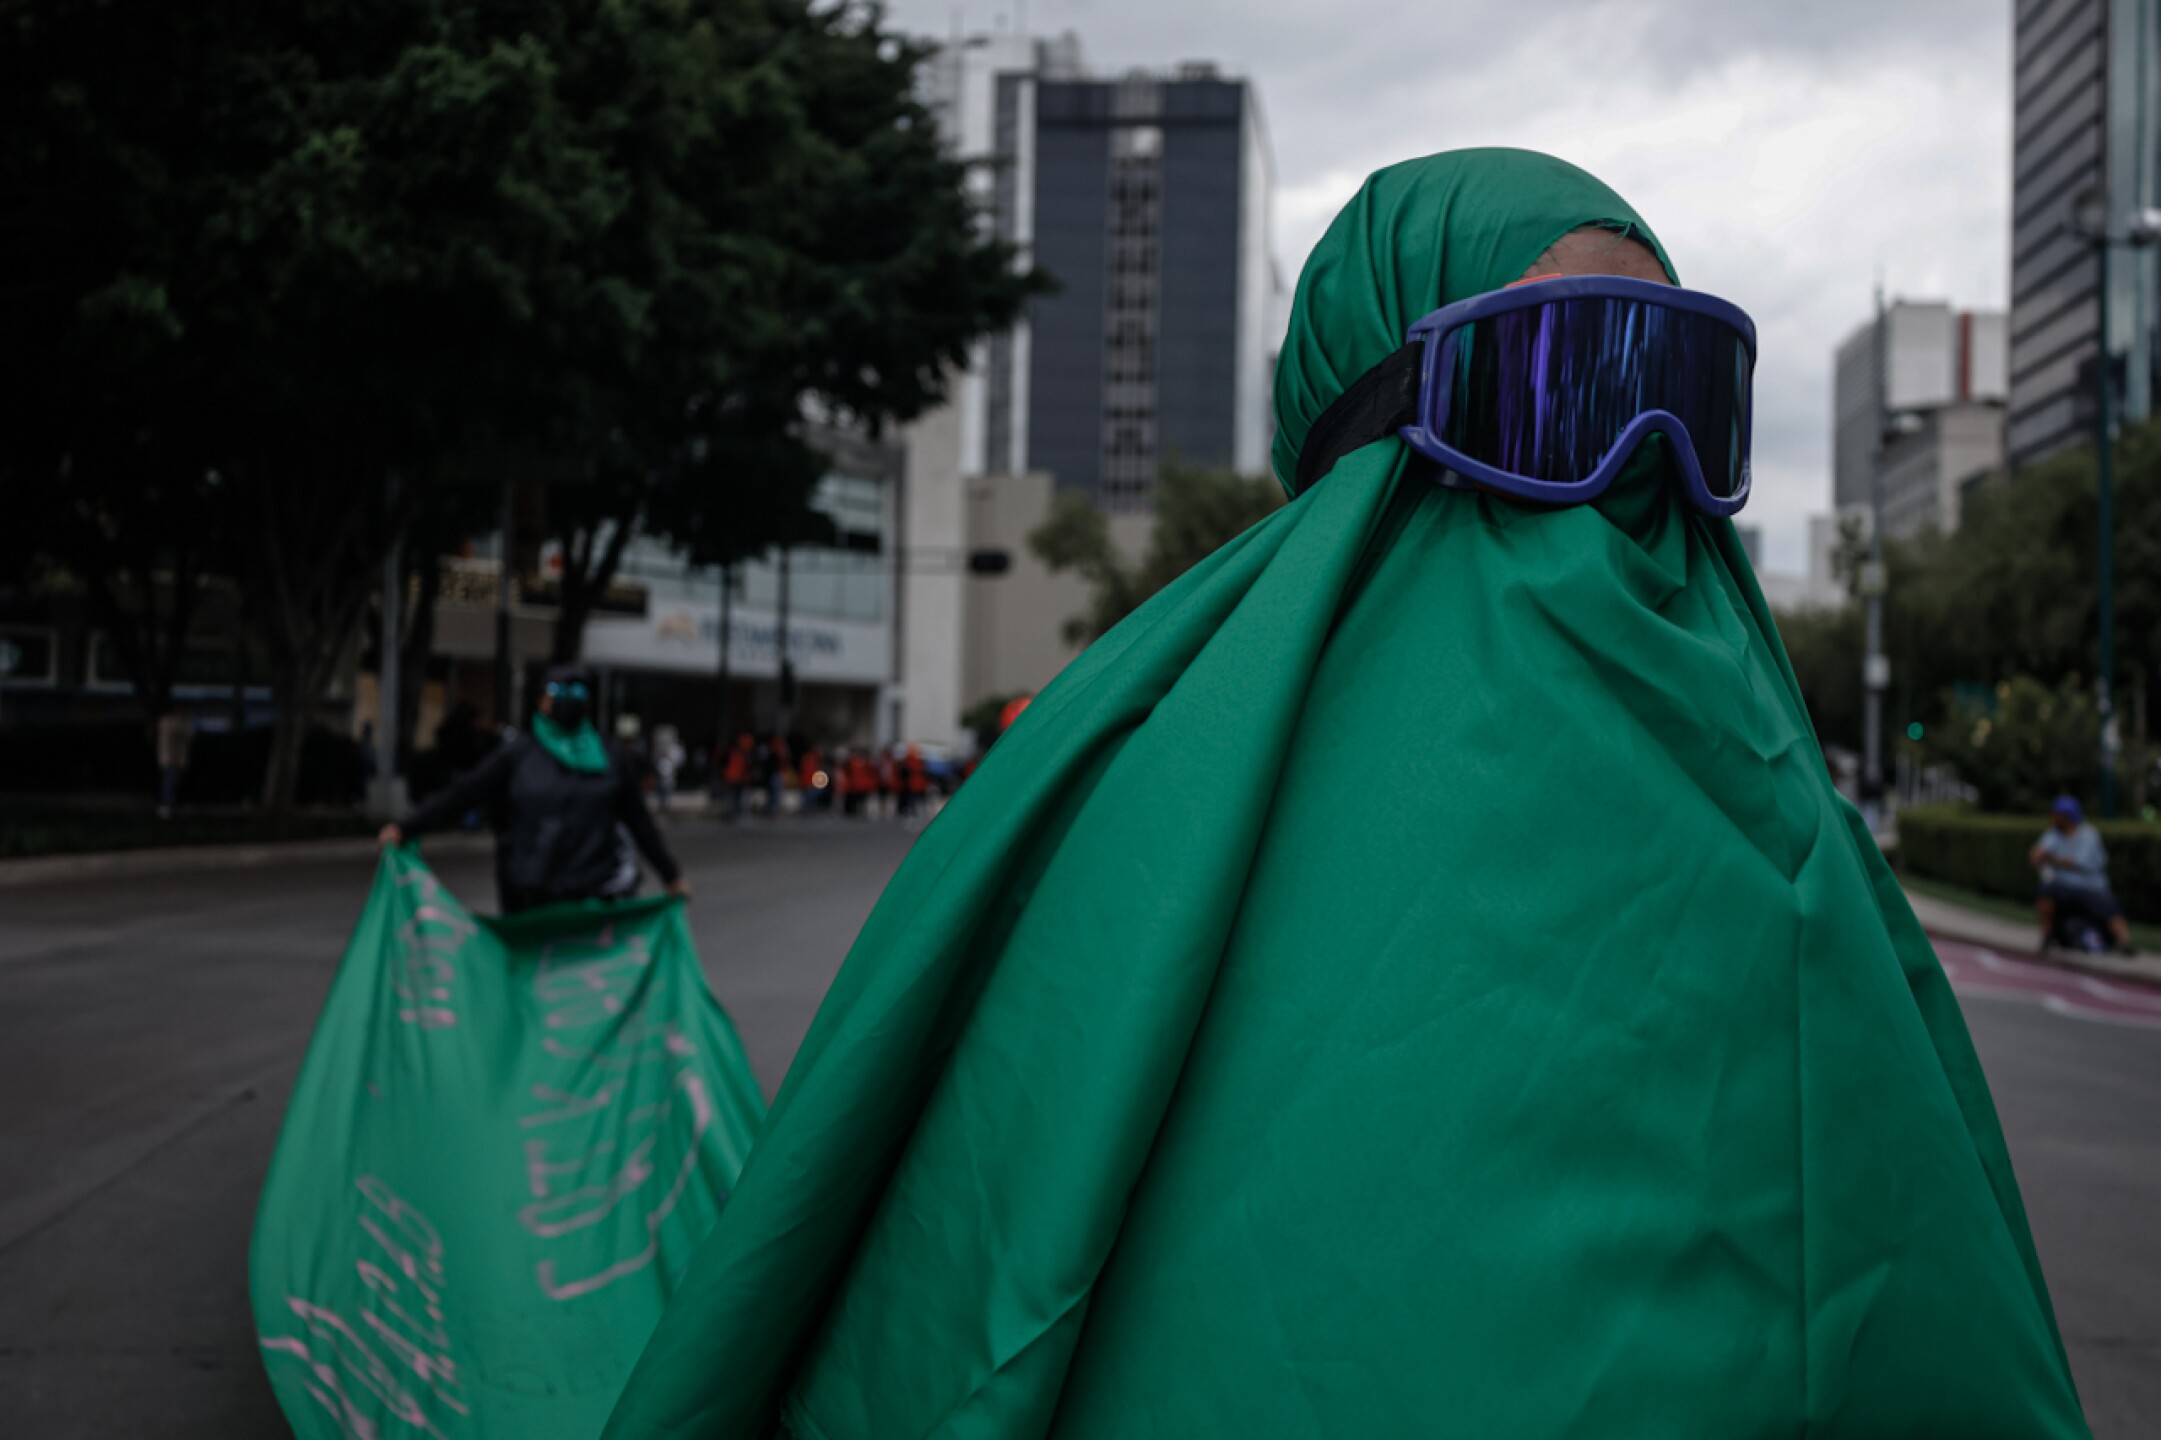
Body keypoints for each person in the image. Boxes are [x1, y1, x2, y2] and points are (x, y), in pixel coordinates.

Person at [608, 150, 2090, 1438]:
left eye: (1687, 395)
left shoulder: (1802, 834)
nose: (1641, 474)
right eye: (1568, 385)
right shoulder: (1121, 775)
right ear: (1379, 414)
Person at [377, 664, 688, 914]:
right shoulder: (518, 754)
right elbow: (463, 793)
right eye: (559, 691)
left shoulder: (610, 757)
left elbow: (640, 823)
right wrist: (407, 827)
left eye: (578, 691)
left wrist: (671, 876)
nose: (570, 698)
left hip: (594, 894)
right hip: (530, 894)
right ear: (541, 701)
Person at [2030, 794, 2133, 955]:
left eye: (2056, 814)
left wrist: (2052, 859)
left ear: (2066, 817)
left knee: (2109, 907)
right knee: (2045, 891)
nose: (2053, 817)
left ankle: (2124, 942)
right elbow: (2037, 854)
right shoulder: (2054, 834)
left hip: (2090, 886)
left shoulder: (2088, 835)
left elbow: (2077, 863)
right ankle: (2047, 936)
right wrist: (2038, 856)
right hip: (2064, 885)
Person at [154, 708, 193, 819]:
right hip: (173, 759)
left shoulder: (163, 722)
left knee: (169, 782)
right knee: (170, 783)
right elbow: (188, 733)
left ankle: (167, 807)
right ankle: (167, 808)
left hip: (168, 758)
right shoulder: (173, 723)